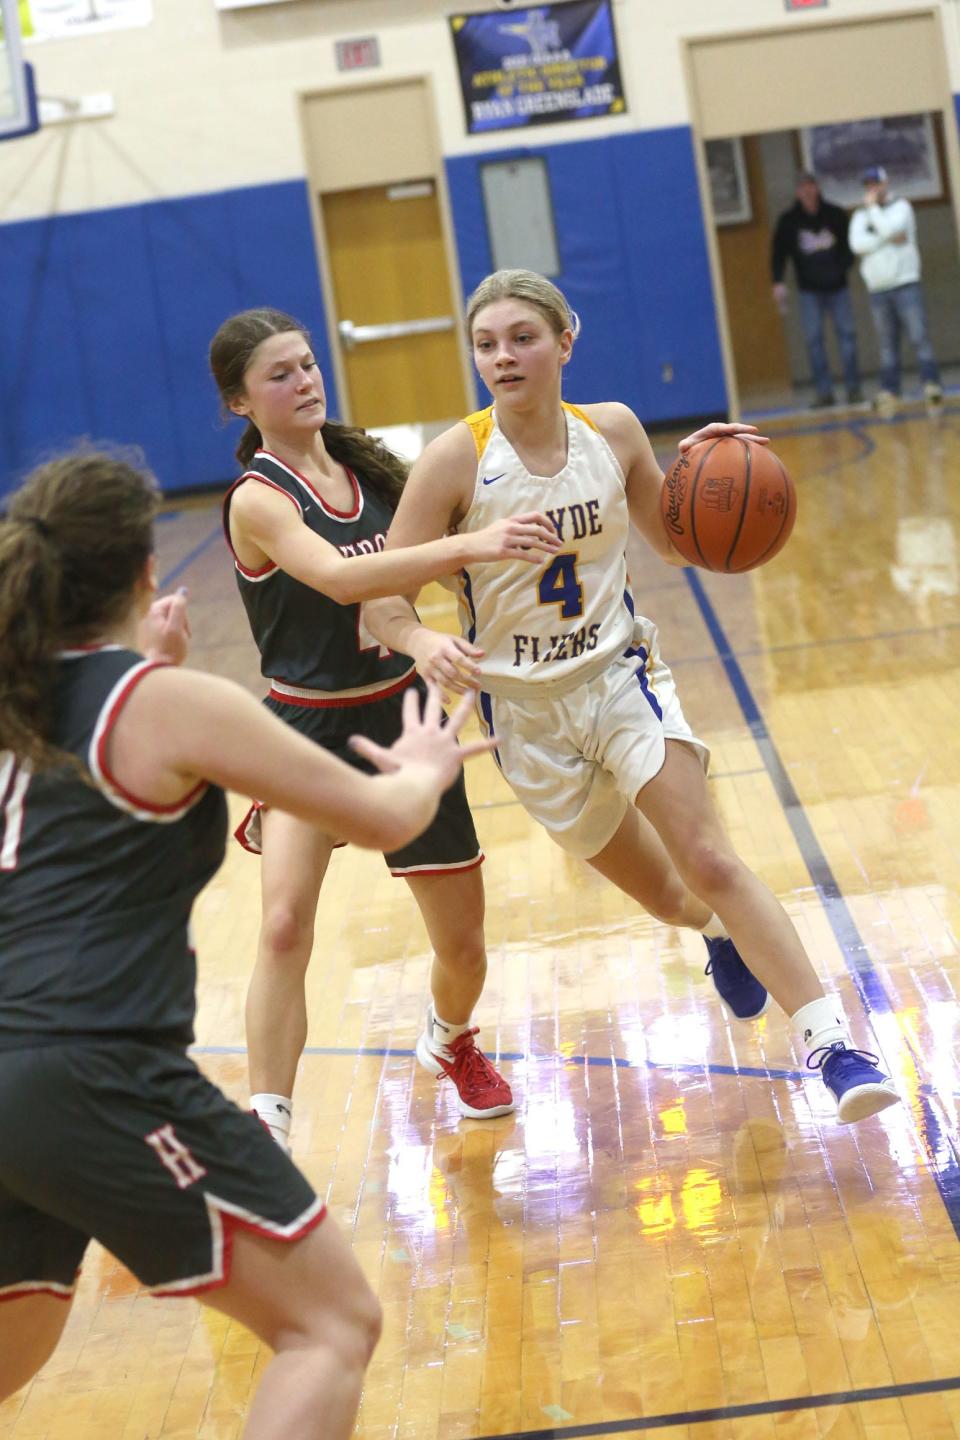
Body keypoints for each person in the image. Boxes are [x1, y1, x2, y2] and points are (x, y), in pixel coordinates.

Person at [0, 448, 496, 1436]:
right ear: (149, 571)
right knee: (332, 1324)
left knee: (13, 1352)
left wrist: (153, 667)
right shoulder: (162, 703)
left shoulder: (22, 709)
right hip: (92, 1074)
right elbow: (384, 814)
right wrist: (426, 762)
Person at [360, 267, 902, 1127]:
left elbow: (676, 543)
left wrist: (708, 472)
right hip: (525, 717)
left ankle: (834, 1043)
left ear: (565, 342)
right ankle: (717, 933)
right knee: (673, 899)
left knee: (711, 857)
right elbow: (379, 594)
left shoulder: (610, 432)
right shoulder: (457, 458)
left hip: (620, 678)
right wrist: (423, 639)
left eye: (522, 339)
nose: (504, 356)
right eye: (487, 343)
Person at [208, 308, 561, 1144]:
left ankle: (449, 1041)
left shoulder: (377, 474)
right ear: (240, 403)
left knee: (464, 947)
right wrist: (468, 552)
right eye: (281, 374)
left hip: (407, 722)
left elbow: (479, 514)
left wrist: (429, 631)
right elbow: (337, 578)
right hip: (303, 731)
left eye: (307, 364)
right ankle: (269, 1121)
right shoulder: (258, 501)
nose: (305, 381)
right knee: (286, 922)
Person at [849, 164, 943, 414]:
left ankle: (931, 383)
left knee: (918, 335)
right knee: (886, 343)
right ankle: (890, 389)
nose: (872, 189)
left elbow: (892, 229)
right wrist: (886, 237)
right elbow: (857, 244)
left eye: (875, 184)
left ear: (885, 183)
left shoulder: (901, 207)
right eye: (868, 185)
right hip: (878, 287)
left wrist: (875, 215)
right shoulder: (860, 215)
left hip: (905, 282)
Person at [771, 170, 862, 408]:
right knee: (813, 341)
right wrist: (778, 281)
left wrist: (840, 269)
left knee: (848, 337)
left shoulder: (836, 215)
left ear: (817, 188)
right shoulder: (789, 221)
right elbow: (778, 254)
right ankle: (824, 392)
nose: (807, 191)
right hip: (808, 290)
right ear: (797, 192)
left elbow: (849, 247)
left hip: (838, 287)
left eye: (811, 186)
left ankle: (853, 389)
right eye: (802, 187)